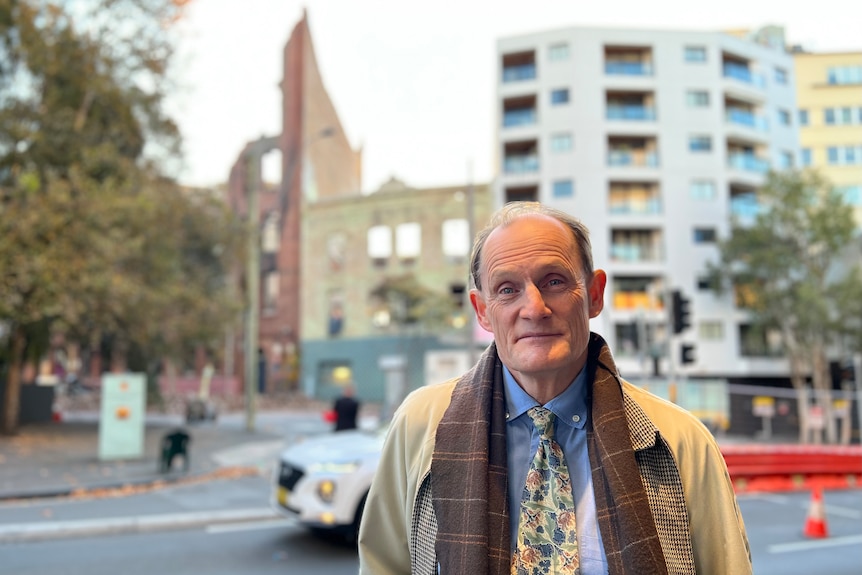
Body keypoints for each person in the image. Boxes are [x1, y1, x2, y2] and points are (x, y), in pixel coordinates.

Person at [358, 202, 751, 574]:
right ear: (482, 311)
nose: (534, 308)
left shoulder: (679, 441)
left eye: (554, 281)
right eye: (508, 289)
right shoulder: (420, 425)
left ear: (594, 294)